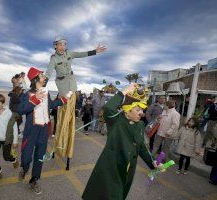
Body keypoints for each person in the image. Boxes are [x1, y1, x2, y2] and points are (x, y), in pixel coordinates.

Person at [82, 84, 161, 200]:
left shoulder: (140, 125)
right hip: (112, 169)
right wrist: (123, 92)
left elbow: (142, 147)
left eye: (142, 110)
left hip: (128, 171)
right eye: (137, 109)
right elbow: (108, 108)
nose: (141, 113)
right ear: (127, 111)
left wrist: (152, 162)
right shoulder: (116, 120)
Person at [44, 36, 106, 164]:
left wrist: (95, 51)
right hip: (63, 89)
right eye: (60, 44)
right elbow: (48, 73)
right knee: (63, 116)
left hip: (72, 87)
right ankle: (61, 140)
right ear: (55, 45)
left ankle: (68, 139)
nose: (62, 47)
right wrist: (40, 85)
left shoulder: (69, 53)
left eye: (64, 44)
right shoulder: (54, 59)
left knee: (70, 116)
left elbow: (81, 54)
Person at [18, 67, 68, 194]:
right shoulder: (27, 94)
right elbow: (21, 110)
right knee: (26, 158)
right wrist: (34, 99)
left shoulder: (46, 92)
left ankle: (34, 180)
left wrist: (64, 99)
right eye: (42, 76)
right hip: (31, 131)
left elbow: (50, 105)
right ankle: (24, 168)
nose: (45, 77)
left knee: (39, 157)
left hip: (44, 130)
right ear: (35, 79)